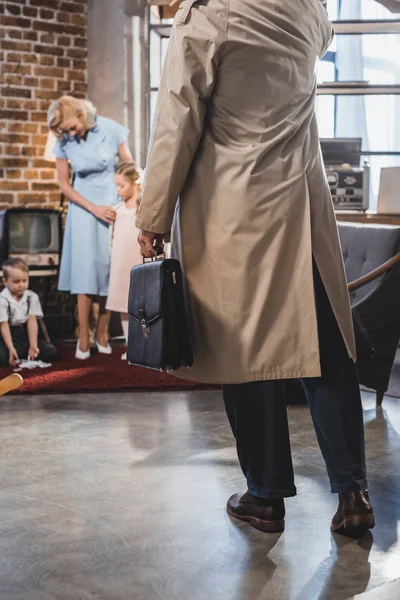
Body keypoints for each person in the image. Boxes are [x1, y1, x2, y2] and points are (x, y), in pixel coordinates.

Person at [136, 0, 375, 535]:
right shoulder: (310, 12)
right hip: (305, 210)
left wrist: (152, 215)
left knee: (245, 351)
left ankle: (265, 497)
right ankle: (353, 494)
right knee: (327, 350)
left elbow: (178, 121)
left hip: (235, 210)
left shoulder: (208, 17)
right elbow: (322, 39)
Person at [48, 95, 135, 360]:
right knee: (84, 272)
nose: (71, 133)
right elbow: (64, 183)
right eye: (65, 131)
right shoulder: (64, 141)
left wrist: (133, 202)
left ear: (81, 114)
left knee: (109, 269)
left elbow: (130, 168)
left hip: (112, 205)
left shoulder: (111, 129)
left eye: (72, 127)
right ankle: (83, 336)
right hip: (83, 208)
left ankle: (103, 333)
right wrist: (91, 207)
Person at [106, 163, 143, 359]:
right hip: (121, 265)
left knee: (143, 304)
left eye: (121, 185)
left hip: (138, 261)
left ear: (134, 183)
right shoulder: (117, 210)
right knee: (123, 305)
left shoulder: (143, 210)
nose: (117, 190)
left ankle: (146, 345)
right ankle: (131, 347)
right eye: (116, 185)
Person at [0, 258, 59, 367]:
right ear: (5, 281)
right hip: (9, 336)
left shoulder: (31, 297)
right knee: (2, 357)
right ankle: (14, 353)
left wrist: (33, 345)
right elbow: (4, 325)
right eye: (16, 281)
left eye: (24, 280)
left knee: (50, 351)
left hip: (27, 334)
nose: (21, 285)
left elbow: (32, 321)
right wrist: (11, 348)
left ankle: (27, 352)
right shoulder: (2, 299)